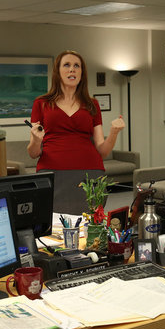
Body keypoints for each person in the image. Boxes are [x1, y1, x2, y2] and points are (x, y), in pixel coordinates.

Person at [27, 50, 125, 214]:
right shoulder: (41, 103)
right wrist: (36, 140)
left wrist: (114, 132)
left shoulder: (92, 104)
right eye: (67, 65)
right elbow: (32, 153)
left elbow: (103, 150)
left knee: (90, 225)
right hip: (52, 171)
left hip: (90, 172)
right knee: (53, 224)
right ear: (58, 71)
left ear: (82, 73)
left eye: (76, 66)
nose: (72, 69)